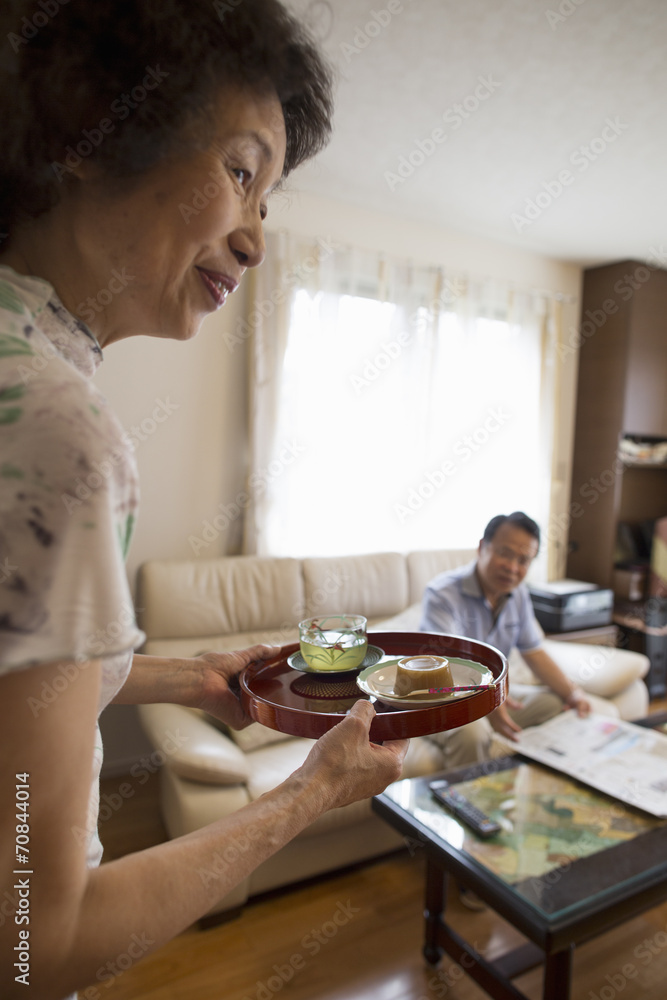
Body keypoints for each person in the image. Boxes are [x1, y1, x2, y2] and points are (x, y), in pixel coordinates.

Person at [0, 3, 409, 997]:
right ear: (90, 129)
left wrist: (190, 678)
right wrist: (311, 794)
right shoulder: (63, 438)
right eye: (241, 172)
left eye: (270, 200)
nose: (257, 239)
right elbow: (30, 949)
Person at [420, 511, 591, 769]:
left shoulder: (518, 595)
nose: (513, 567)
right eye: (505, 553)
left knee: (554, 703)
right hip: (440, 698)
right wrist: (490, 697)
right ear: (482, 548)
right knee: (473, 733)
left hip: (493, 697)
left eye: (523, 560)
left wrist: (573, 693)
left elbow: (534, 653)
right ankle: (464, 804)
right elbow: (444, 665)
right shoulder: (442, 595)